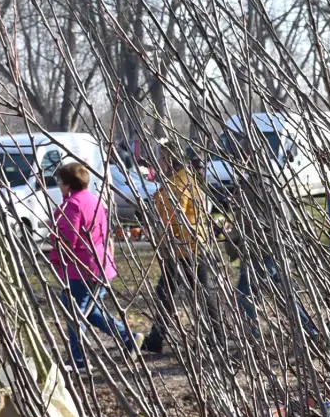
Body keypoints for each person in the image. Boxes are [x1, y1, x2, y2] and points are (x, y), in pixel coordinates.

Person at [47, 161, 133, 370]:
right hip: (100, 264)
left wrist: (55, 257)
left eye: (59, 181)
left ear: (67, 183)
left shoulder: (72, 205)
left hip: (82, 268)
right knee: (91, 311)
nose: (58, 185)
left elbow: (68, 239)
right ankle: (129, 339)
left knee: (74, 311)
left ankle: (79, 360)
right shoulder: (93, 200)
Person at [141, 142, 214, 355]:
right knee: (166, 292)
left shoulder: (180, 180)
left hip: (186, 247)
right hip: (177, 248)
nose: (158, 164)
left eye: (161, 159)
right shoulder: (174, 179)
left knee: (200, 293)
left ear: (168, 159)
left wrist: (159, 230)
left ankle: (214, 338)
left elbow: (175, 214)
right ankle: (157, 337)